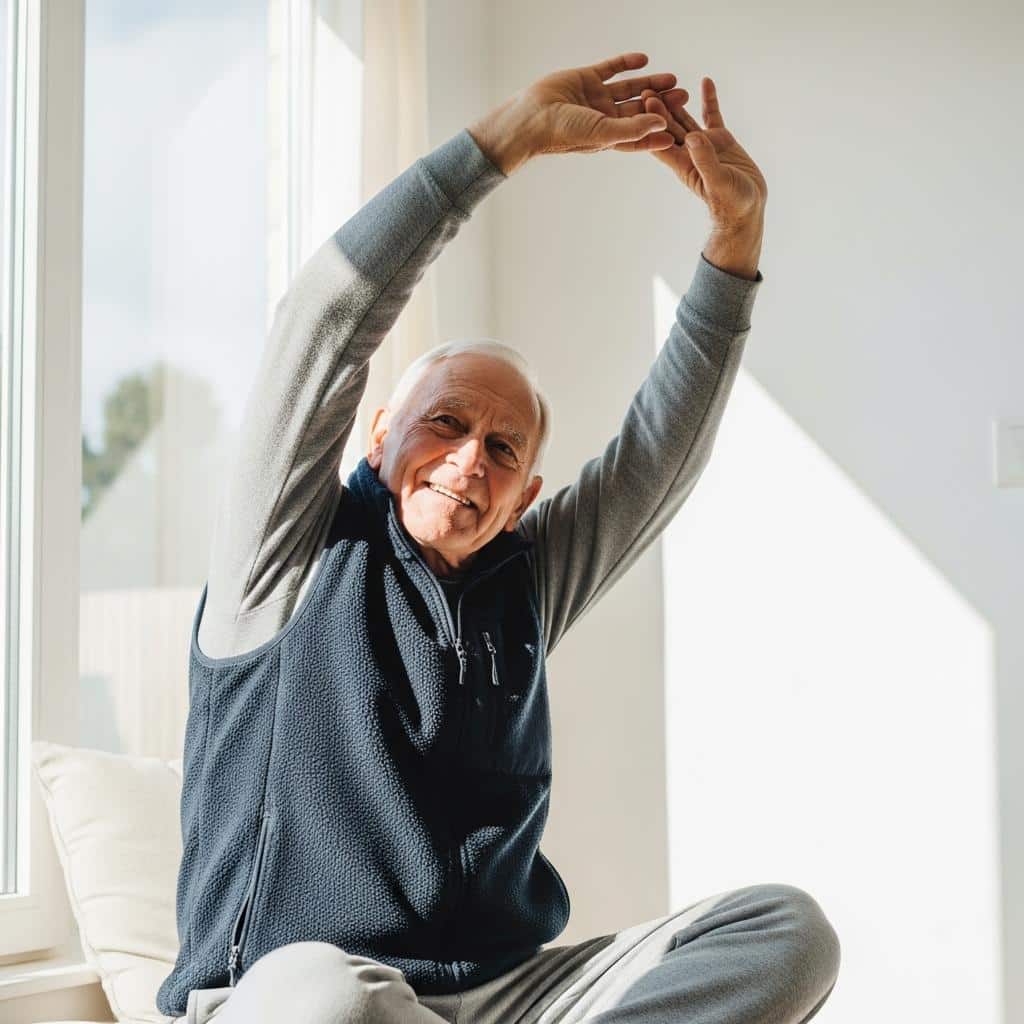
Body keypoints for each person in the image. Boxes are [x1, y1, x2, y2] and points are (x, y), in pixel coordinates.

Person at [157, 51, 840, 1024]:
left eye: (502, 446)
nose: (470, 457)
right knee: (326, 995)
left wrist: (736, 239)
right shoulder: (287, 550)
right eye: (445, 423)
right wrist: (500, 146)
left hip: (500, 995)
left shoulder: (524, 580)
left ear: (525, 495)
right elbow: (322, 321)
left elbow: (653, 460)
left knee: (786, 929)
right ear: (382, 431)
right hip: (288, 996)